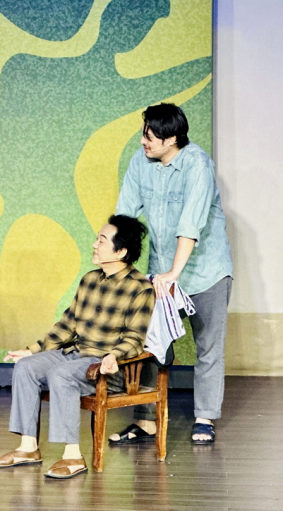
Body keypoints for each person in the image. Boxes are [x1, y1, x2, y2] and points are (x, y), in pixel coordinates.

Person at [0, 215, 155, 479]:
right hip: (75, 355)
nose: (94, 244)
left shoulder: (140, 288)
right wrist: (32, 350)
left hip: (107, 366)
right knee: (25, 367)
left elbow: (135, 338)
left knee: (61, 375)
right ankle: (28, 447)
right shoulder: (90, 280)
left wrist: (113, 356)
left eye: (102, 240)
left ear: (121, 251)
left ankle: (73, 456)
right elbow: (66, 326)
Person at [112, 103, 232, 446]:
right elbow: (125, 215)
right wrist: (115, 262)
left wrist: (173, 273)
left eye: (150, 136)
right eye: (144, 134)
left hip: (205, 271)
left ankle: (204, 418)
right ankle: (146, 419)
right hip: (161, 270)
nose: (143, 141)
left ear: (172, 139)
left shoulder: (197, 164)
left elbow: (190, 224)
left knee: (208, 346)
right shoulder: (140, 162)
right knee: (151, 342)